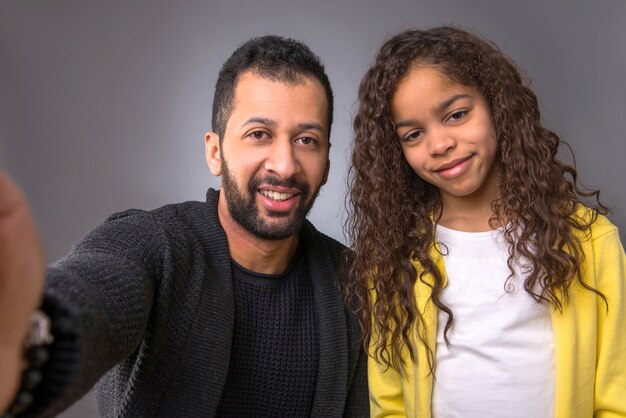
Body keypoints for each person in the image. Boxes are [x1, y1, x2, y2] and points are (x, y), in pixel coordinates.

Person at [1, 35, 368, 417]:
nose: (285, 164)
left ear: (326, 163)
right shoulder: (153, 245)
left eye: (306, 140)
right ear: (215, 152)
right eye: (259, 135)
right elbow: (96, 292)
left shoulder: (357, 286)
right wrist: (22, 338)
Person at [345, 26, 626, 417]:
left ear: (496, 105)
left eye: (457, 115)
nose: (440, 144)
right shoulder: (394, 256)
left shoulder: (587, 239)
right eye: (413, 134)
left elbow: (617, 394)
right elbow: (389, 400)